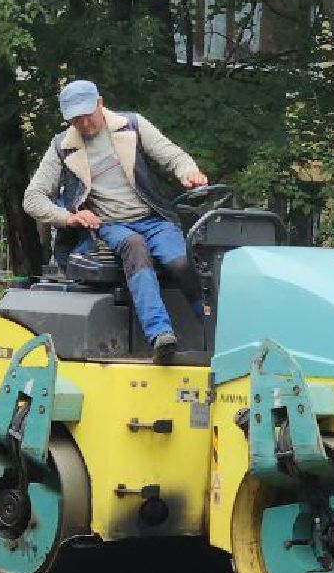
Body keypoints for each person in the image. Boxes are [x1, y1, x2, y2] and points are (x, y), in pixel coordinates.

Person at [23, 79, 210, 362]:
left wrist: (188, 172)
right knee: (134, 247)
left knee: (181, 261)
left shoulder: (132, 125)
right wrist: (69, 217)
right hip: (110, 225)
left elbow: (173, 156)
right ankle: (160, 334)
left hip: (152, 218)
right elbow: (32, 198)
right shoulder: (61, 147)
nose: (84, 124)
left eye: (87, 115)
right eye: (76, 120)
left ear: (100, 103)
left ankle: (212, 324)